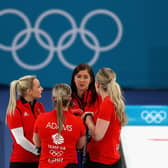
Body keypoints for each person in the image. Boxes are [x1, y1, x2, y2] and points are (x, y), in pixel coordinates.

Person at [82, 68, 127, 168]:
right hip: (108, 158)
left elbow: (98, 135)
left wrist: (88, 119)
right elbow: (109, 122)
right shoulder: (112, 101)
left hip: (102, 161)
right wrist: (93, 115)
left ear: (97, 84)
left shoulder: (107, 103)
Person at [33, 83, 86, 168]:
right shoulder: (78, 121)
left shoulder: (41, 118)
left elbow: (37, 143)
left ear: (53, 99)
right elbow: (80, 145)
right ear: (69, 100)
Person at [6, 75, 45, 168]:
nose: (42, 88)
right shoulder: (15, 110)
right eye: (38, 86)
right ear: (29, 91)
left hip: (39, 161)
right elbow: (20, 139)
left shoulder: (40, 107)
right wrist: (38, 151)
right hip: (21, 163)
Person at [70, 63, 101, 168]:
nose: (81, 80)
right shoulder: (67, 98)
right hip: (72, 149)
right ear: (74, 78)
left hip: (94, 150)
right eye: (78, 76)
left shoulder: (98, 98)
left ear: (91, 79)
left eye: (85, 77)